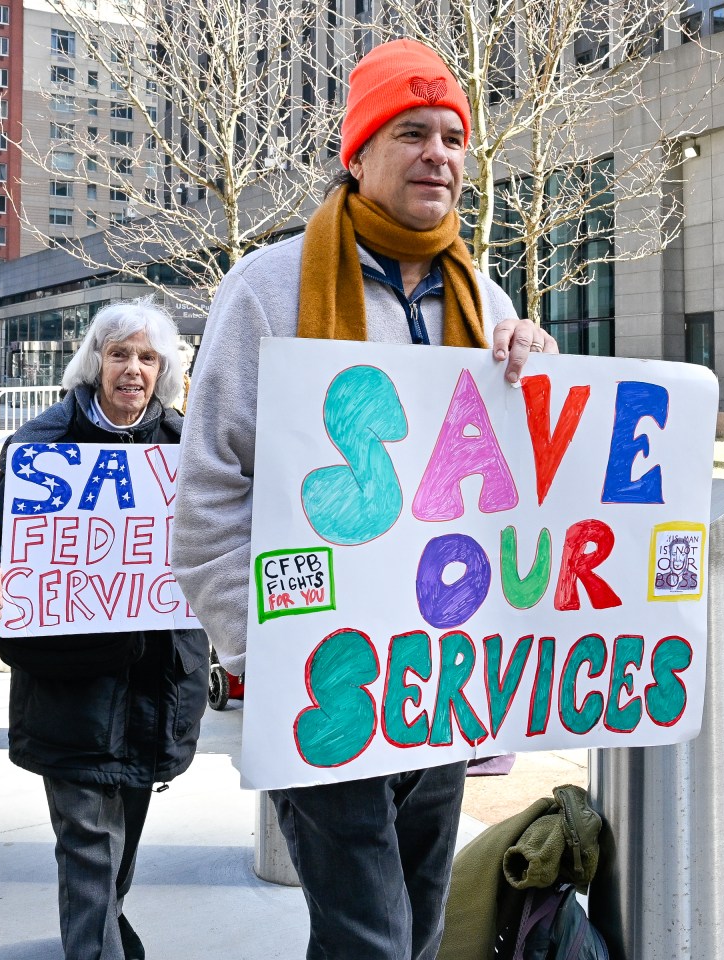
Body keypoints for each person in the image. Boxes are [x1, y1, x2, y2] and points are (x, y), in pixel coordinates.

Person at [170, 39, 560, 960]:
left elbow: (519, 493)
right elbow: (208, 497)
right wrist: (268, 650)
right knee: (368, 937)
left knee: (419, 927)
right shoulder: (267, 289)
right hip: (325, 682)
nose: (441, 155)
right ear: (359, 153)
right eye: (413, 133)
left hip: (441, 681)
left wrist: (539, 379)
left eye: (455, 137)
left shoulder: (487, 298)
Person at [0, 299, 209, 960]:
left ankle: (105, 922)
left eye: (148, 357)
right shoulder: (41, 447)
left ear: (164, 371)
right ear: (95, 360)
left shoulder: (189, 449)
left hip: (157, 687)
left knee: (116, 843)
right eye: (120, 353)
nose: (133, 368)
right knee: (88, 845)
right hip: (71, 686)